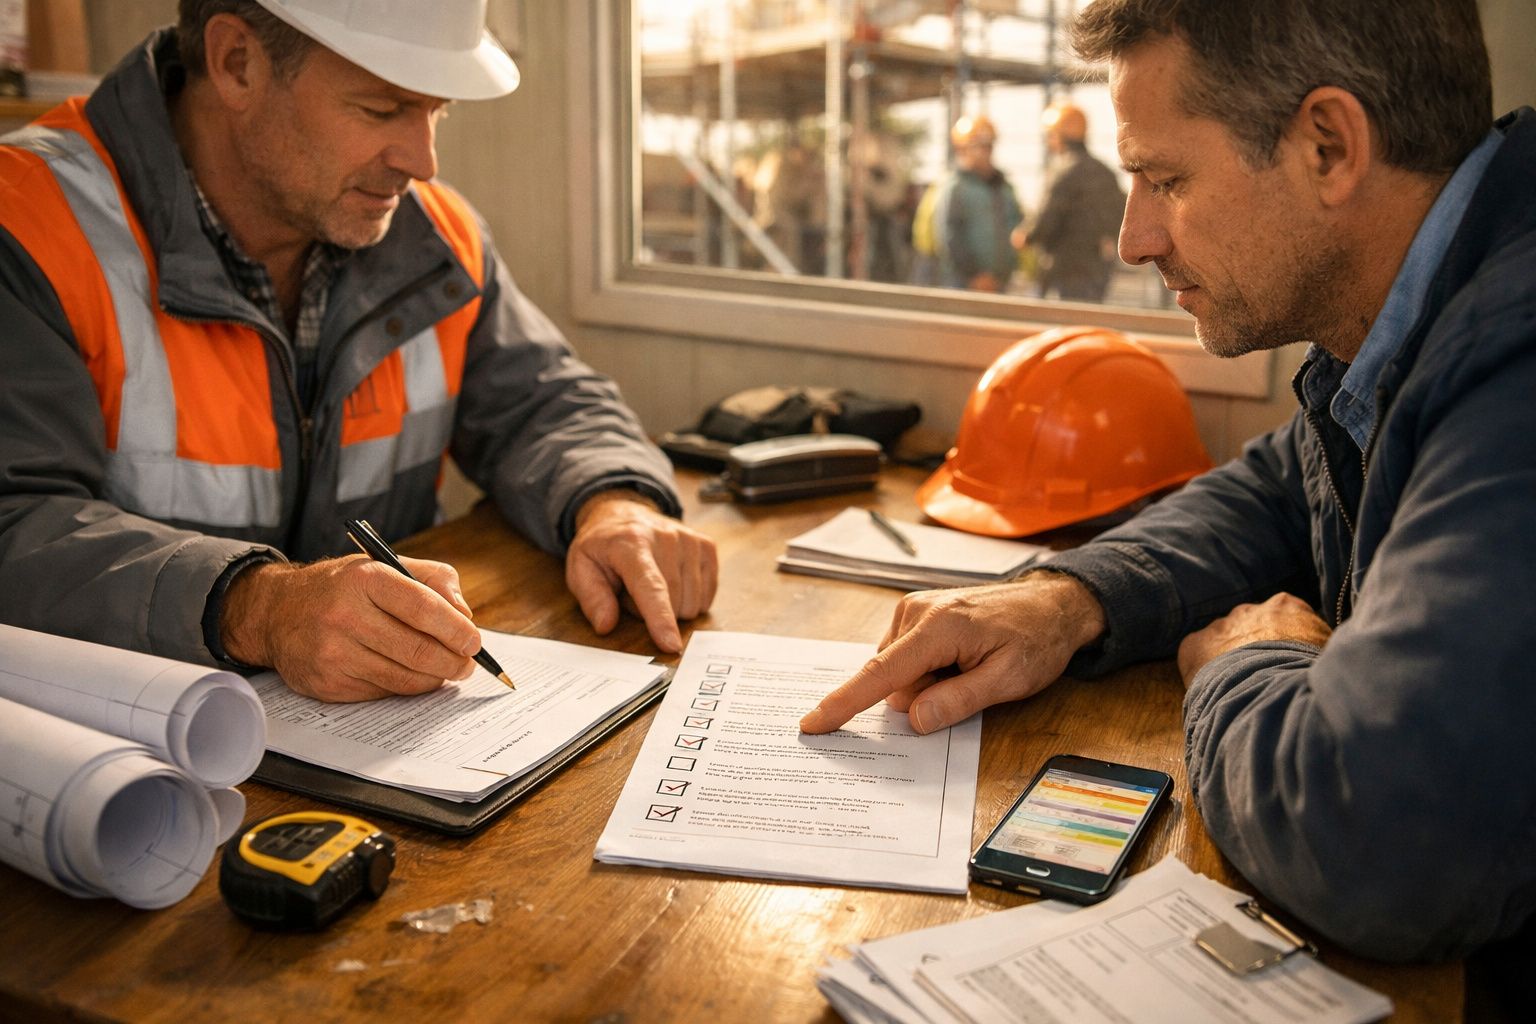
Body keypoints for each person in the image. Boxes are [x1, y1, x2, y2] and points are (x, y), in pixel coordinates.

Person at [803, 0, 1536, 967]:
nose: (1134, 239)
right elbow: (1283, 489)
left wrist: (1249, 664)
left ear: (1329, 146)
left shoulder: (1516, 357)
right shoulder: (1411, 311)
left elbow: (1379, 843)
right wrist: (1067, 600)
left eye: (1166, 179)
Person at [0, 0, 717, 703]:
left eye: (436, 112)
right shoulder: (27, 223)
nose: (423, 162)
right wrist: (259, 607)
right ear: (237, 62)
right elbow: (14, 524)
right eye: (382, 109)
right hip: (117, 748)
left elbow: (544, 401)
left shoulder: (434, 238)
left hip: (376, 735)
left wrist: (613, 502)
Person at [1013, 101, 1126, 302]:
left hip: (1063, 269)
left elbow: (1047, 217)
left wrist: (1026, 236)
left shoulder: (1063, 170)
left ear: (1059, 136)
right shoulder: (1105, 173)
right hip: (1098, 271)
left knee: (1056, 317)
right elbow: (1120, 217)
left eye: (1050, 135)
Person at [933, 115, 1024, 292]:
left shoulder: (1004, 188)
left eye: (988, 146)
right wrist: (974, 275)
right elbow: (950, 235)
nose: (985, 152)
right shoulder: (955, 188)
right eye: (978, 146)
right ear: (963, 149)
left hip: (1001, 281)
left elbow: (1016, 225)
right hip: (964, 283)